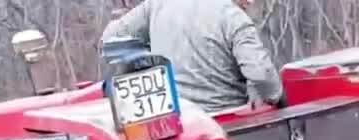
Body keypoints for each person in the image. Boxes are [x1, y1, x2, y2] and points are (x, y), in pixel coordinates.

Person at [102, 0, 285, 113]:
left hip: (177, 122)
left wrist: (143, 55)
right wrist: (278, 98)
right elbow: (261, 75)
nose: (249, 2)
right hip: (225, 122)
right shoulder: (232, 17)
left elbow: (109, 39)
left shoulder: (156, 5)